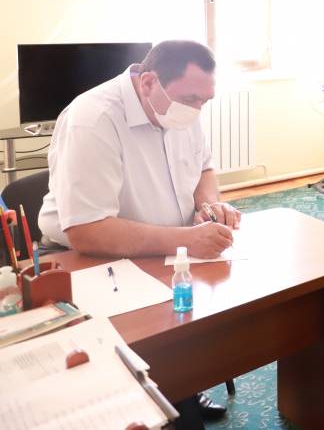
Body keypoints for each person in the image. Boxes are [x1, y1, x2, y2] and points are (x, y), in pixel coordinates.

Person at [37, 39, 241, 425]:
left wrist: (208, 206)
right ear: (148, 82)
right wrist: (186, 239)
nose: (197, 109)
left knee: (189, 315)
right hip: (88, 257)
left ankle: (183, 388)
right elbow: (87, 231)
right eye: (191, 99)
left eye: (205, 101)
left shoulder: (181, 107)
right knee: (144, 347)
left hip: (166, 248)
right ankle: (167, 398)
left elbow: (204, 169)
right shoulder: (93, 119)